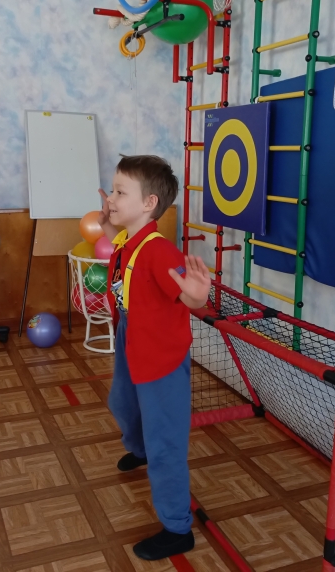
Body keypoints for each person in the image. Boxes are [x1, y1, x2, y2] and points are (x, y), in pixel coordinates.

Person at [96, 155, 211, 560]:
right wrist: (109, 225)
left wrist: (197, 296)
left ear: (148, 203)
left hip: (160, 357)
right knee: (122, 404)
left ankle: (177, 529)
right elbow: (122, 257)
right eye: (112, 190)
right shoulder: (131, 241)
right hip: (133, 339)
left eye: (120, 192)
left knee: (166, 443)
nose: (111, 198)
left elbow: (190, 297)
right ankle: (140, 449)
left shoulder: (159, 251)